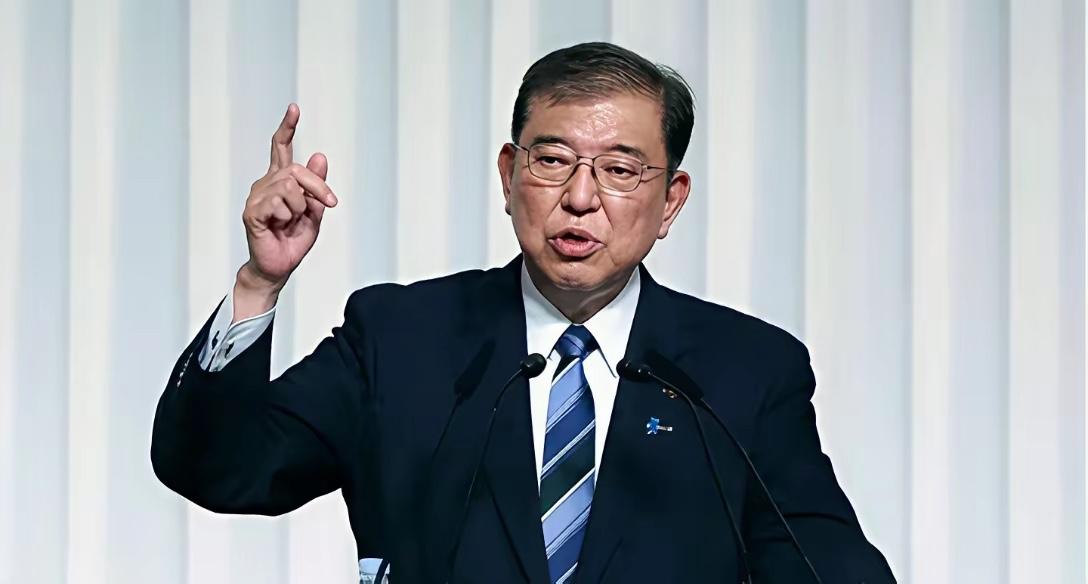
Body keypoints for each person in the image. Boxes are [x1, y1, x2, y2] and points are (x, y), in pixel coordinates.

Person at [151, 42, 895, 583]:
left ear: (671, 201)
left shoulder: (742, 373)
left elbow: (827, 568)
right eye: (552, 161)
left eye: (619, 170)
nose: (581, 197)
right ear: (509, 176)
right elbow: (220, 469)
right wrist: (259, 282)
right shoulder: (402, 340)